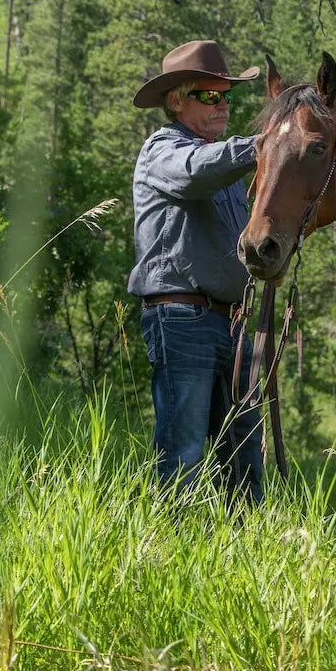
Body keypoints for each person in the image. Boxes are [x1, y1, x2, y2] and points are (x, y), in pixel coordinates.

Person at [129, 39, 265, 505]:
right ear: (176, 101)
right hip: (181, 318)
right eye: (210, 95)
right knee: (181, 454)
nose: (223, 103)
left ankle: (240, 555)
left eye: (227, 94)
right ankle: (166, 552)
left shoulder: (221, 163)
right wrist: (266, 144)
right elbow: (193, 173)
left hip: (231, 322)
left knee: (246, 456)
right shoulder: (163, 149)